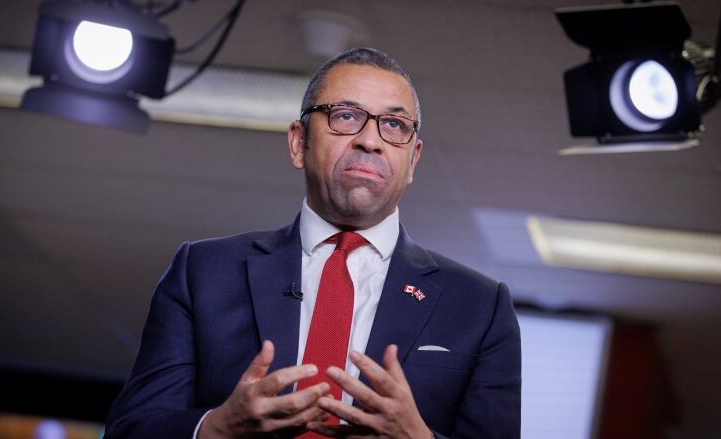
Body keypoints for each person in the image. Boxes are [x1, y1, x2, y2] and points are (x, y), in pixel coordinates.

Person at [104, 48, 521, 439]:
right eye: (345, 116)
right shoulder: (203, 272)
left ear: (412, 160)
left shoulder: (479, 307)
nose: (370, 140)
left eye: (394, 125)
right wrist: (217, 428)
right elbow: (131, 428)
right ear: (298, 143)